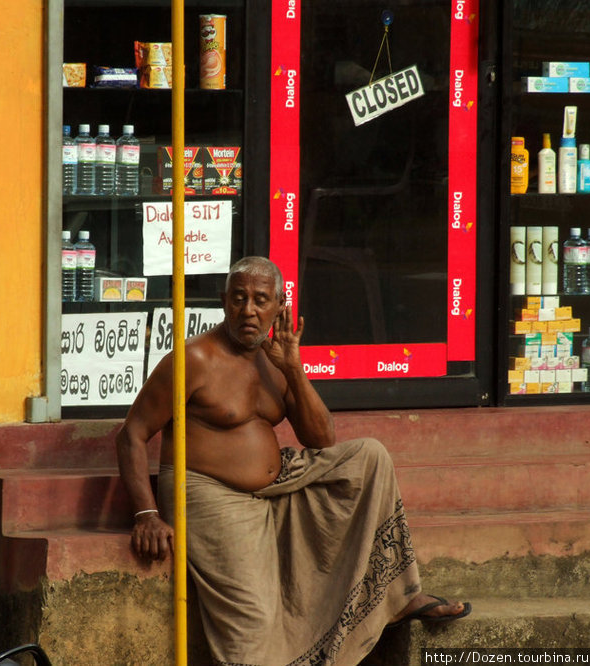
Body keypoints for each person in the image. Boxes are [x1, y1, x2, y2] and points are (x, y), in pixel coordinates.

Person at [116, 256, 470, 666]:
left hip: (277, 483)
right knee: (254, 618)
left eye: (260, 300)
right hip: (207, 491)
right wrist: (146, 513)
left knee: (369, 456)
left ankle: (397, 597)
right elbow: (132, 434)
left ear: (279, 306)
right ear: (223, 302)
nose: (248, 310)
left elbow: (321, 438)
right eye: (238, 299)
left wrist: (294, 369)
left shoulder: (278, 359)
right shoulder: (194, 359)